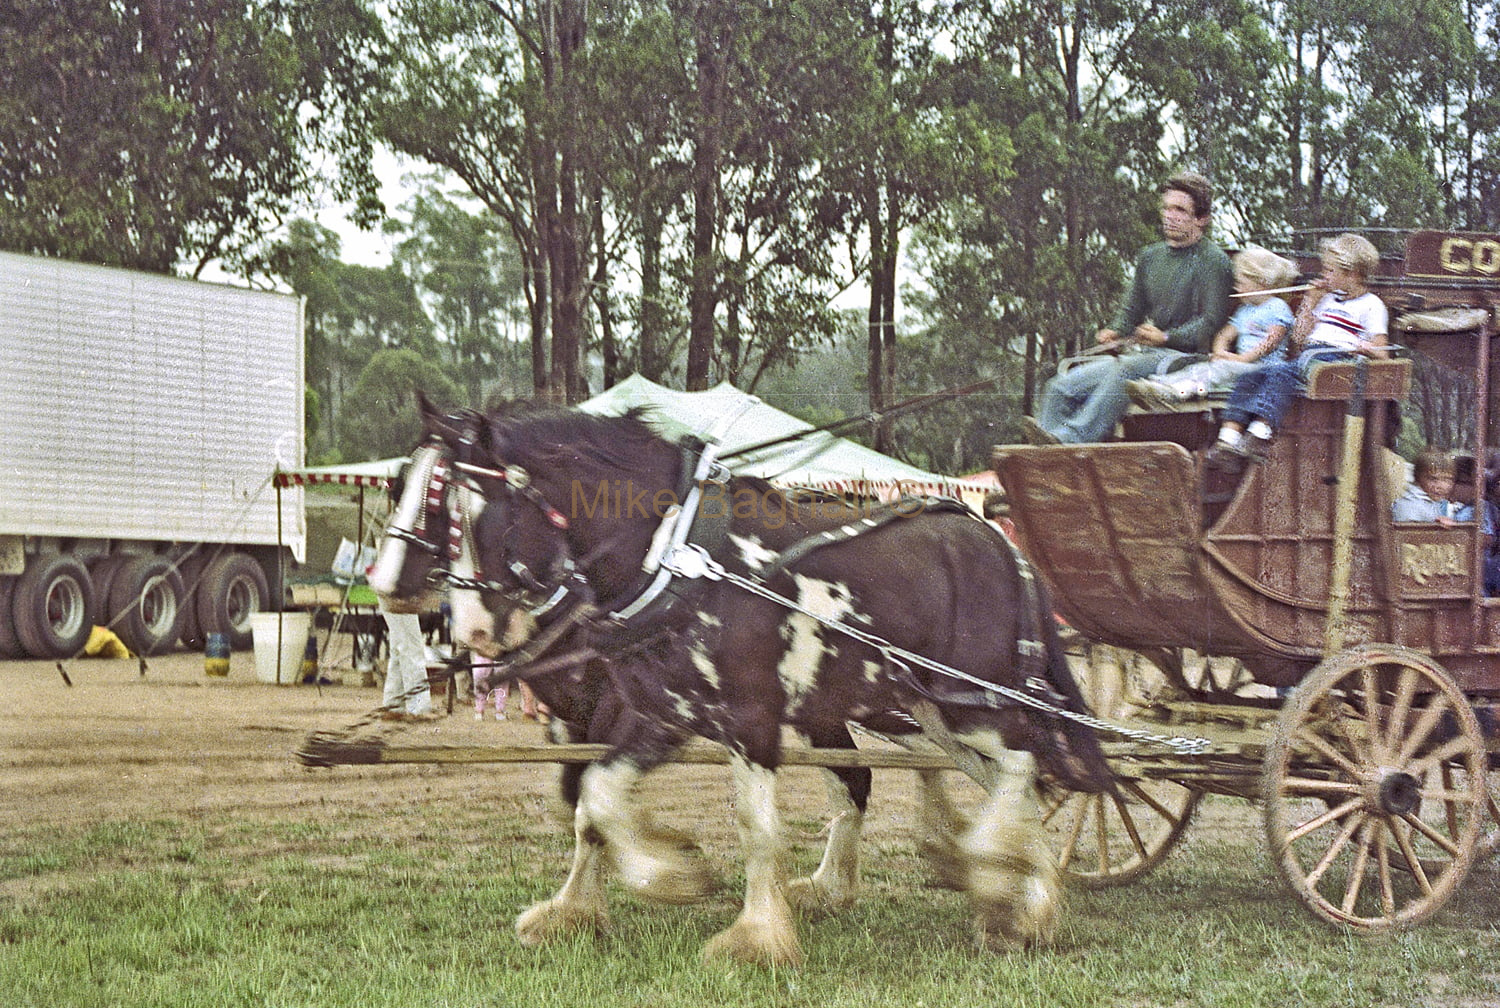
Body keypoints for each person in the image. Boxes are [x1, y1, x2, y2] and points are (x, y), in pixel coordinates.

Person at [1026, 170, 1234, 444]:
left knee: (1126, 371)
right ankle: (1044, 462)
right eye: (1167, 208)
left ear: (1202, 219)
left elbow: (1211, 322)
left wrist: (1166, 337)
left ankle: (1070, 441)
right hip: (1147, 356)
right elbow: (1131, 308)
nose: (1169, 215)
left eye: (1180, 210)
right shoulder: (1150, 257)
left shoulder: (1213, 261)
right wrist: (1114, 330)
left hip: (1187, 360)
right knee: (1060, 387)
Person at [1206, 233, 1389, 471]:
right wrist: (1311, 303)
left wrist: (1365, 348)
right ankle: (1228, 441)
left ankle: (1259, 435)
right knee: (1252, 375)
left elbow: (1382, 352)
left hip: (1336, 360)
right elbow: (1299, 337)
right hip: (1310, 356)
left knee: (1282, 373)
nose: (1324, 275)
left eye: (1330, 271)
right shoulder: (1328, 299)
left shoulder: (1371, 305)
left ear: (1352, 274)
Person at [1125, 246, 1297, 408]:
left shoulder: (1277, 306)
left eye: (1240, 282)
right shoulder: (1245, 310)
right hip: (1242, 364)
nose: (1236, 288)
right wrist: (1220, 352)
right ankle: (1157, 385)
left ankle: (1174, 392)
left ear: (1261, 282)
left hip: (1265, 368)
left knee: (1220, 370)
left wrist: (1241, 359)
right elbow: (1225, 335)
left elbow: (1271, 341)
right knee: (1202, 367)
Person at [1392, 450, 1458, 524]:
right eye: (1433, 479)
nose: (1441, 486)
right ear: (1418, 479)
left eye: (1447, 480)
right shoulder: (1409, 505)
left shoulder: (1435, 501)